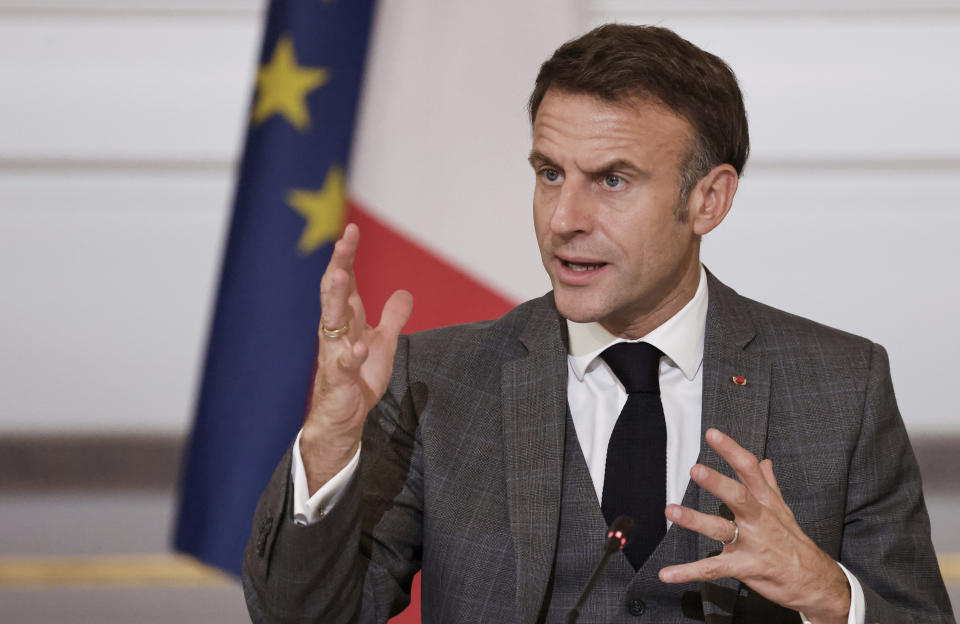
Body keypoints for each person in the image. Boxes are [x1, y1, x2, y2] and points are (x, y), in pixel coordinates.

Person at [242, 24, 954, 623]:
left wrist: (831, 596)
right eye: (550, 173)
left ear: (709, 200)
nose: (564, 220)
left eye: (612, 180)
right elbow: (303, 616)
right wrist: (330, 447)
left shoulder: (840, 386)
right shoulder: (436, 384)